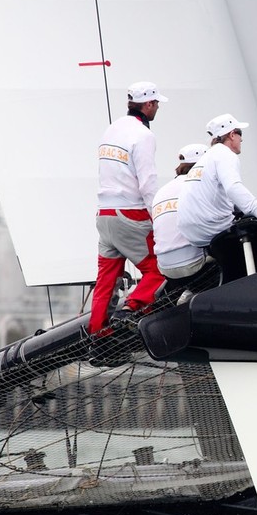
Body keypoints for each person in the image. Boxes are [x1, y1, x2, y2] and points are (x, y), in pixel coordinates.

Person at [90, 81, 169, 335]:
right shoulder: (144, 135)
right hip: (130, 214)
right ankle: (130, 309)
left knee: (106, 281)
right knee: (161, 267)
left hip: (104, 216)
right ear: (147, 105)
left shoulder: (111, 129)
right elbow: (148, 183)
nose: (157, 108)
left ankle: (98, 334)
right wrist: (160, 218)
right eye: (156, 103)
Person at [177, 114, 257, 249]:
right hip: (211, 230)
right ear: (232, 135)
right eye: (240, 133)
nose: (241, 139)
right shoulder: (224, 154)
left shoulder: (205, 159)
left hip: (193, 236)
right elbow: (233, 188)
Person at [151, 143, 219, 300]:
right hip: (193, 267)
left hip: (166, 270)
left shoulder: (163, 190)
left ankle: (189, 294)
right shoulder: (199, 185)